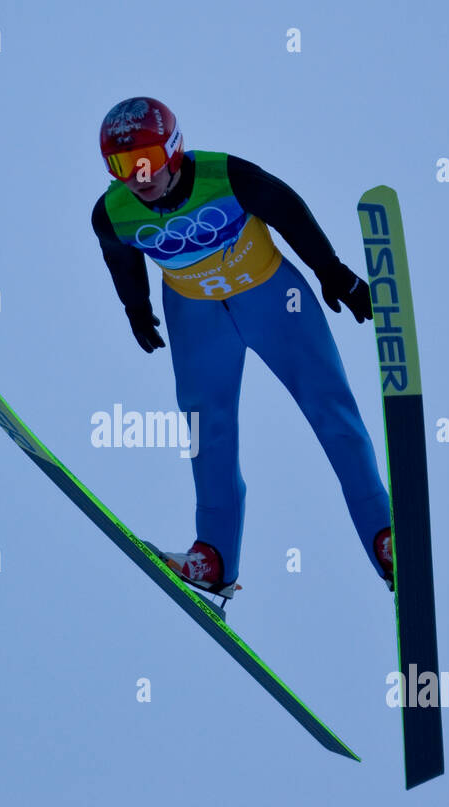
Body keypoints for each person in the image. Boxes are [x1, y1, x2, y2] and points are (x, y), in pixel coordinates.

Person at [91, 96, 394, 596]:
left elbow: (289, 213)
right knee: (205, 432)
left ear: (173, 149)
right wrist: (135, 309)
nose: (139, 176)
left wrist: (332, 272)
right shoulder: (111, 212)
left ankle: (386, 536)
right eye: (123, 165)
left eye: (146, 159)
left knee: (331, 411)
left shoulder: (227, 176)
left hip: (274, 301)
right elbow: (120, 259)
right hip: (195, 316)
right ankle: (214, 558)